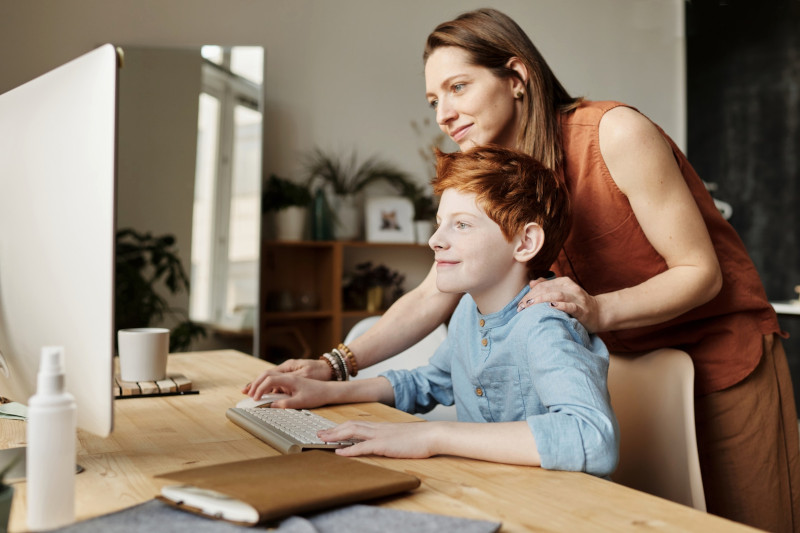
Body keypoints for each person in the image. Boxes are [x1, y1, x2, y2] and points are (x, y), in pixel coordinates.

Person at [246, 8, 799, 530]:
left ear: (516, 75)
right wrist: (334, 365)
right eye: (433, 99)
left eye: (458, 87)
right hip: (627, 362)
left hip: (722, 359)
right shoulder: (498, 174)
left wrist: (597, 309)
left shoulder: (614, 133)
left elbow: (700, 273)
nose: (444, 113)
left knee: (750, 522)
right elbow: (433, 292)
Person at [253, 145, 619, 476]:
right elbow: (431, 382)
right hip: (486, 488)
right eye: (439, 222)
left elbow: (592, 437)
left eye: (461, 225)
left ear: (525, 242)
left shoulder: (544, 324)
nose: (435, 239)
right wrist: (327, 390)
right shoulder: (466, 312)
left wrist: (432, 436)